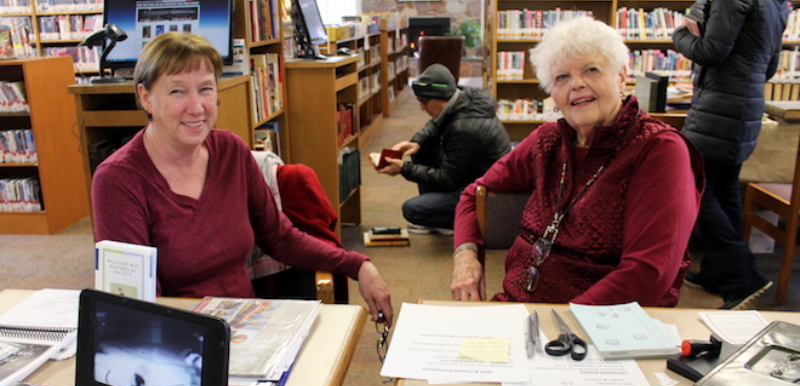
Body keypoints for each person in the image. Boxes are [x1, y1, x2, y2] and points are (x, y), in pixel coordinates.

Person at [91, 32, 393, 325]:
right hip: (179, 337)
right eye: (177, 91)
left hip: (246, 324)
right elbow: (136, 303)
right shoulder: (118, 180)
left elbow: (282, 239)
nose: (197, 107)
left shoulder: (231, 151)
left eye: (206, 89)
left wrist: (357, 265)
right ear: (146, 97)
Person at [450, 17, 704, 306]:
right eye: (562, 77)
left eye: (591, 70)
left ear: (621, 75)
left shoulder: (658, 149)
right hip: (520, 310)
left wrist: (561, 322)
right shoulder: (548, 140)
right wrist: (465, 254)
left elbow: (647, 274)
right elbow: (473, 194)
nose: (577, 84)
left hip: (602, 328)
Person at [672, 0, 789, 309]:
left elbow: (711, 51)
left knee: (697, 188)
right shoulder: (778, 3)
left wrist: (681, 34)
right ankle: (717, 272)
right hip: (747, 107)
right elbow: (771, 66)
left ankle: (742, 276)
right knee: (724, 190)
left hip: (718, 109)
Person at [376, 63, 511, 235]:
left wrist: (403, 169)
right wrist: (417, 142)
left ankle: (458, 222)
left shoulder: (465, 128)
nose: (422, 108)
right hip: (471, 172)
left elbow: (447, 179)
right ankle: (439, 206)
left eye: (425, 102)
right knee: (422, 150)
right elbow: (436, 124)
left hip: (483, 191)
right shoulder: (464, 97)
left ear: (441, 98)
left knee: (412, 210)